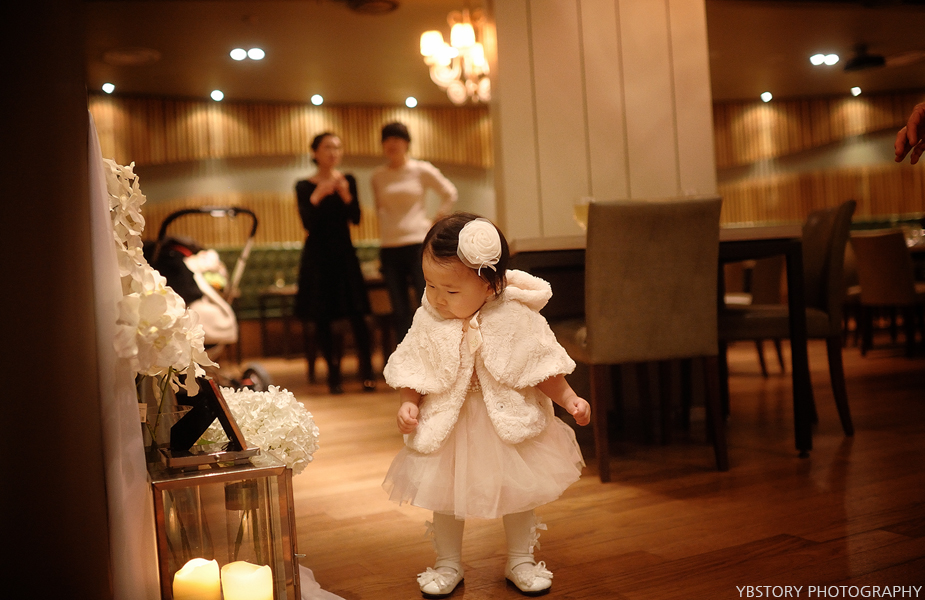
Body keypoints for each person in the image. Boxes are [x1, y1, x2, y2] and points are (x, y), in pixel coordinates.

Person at [381, 213, 591, 597]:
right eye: (430, 285)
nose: (438, 298)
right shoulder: (428, 318)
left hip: (507, 422)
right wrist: (408, 402)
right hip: (449, 424)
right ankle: (448, 562)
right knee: (445, 495)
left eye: (451, 290)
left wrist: (568, 397)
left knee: (519, 491)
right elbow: (414, 366)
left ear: (491, 284)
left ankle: (521, 559)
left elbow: (539, 366)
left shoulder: (515, 316)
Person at [295, 132, 376, 394]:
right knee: (323, 318)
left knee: (359, 315)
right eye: (328, 147)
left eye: (337, 147)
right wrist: (317, 195)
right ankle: (333, 376)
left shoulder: (348, 180)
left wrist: (345, 194)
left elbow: (356, 218)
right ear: (315, 152)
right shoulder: (303, 186)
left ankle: (367, 374)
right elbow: (308, 222)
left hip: (344, 254)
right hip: (317, 257)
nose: (333, 152)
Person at [371, 121, 458, 347]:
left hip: (418, 244)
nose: (392, 144)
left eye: (397, 138)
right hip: (389, 247)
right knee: (399, 309)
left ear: (407, 143)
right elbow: (380, 209)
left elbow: (449, 192)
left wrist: (435, 221)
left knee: (427, 302)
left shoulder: (421, 169)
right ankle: (407, 358)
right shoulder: (378, 176)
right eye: (387, 139)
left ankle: (433, 351)